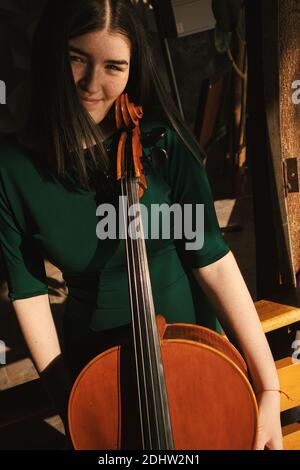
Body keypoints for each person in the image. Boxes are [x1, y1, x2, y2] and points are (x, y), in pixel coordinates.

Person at [0, 0, 282, 450]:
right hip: (93, 357)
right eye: (76, 58)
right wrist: (73, 408)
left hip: (191, 345)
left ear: (134, 69)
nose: (93, 84)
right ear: (51, 53)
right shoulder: (12, 167)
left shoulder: (161, 143)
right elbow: (29, 292)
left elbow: (212, 260)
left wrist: (267, 387)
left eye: (114, 66)